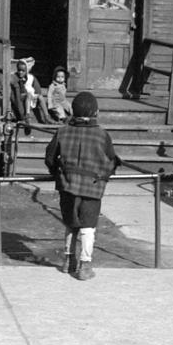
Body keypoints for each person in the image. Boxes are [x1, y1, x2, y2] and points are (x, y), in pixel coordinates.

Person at [44, 92, 119, 280]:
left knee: (70, 223)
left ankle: (68, 261)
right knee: (88, 226)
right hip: (92, 187)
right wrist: (104, 175)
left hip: (67, 185)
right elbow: (112, 160)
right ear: (95, 112)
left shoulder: (62, 131)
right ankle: (85, 266)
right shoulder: (102, 135)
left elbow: (49, 157)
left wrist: (58, 175)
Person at [11, 58, 51, 126]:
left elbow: (37, 89)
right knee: (29, 95)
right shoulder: (16, 78)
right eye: (19, 70)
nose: (20, 72)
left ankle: (46, 116)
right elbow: (18, 91)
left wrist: (37, 94)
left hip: (31, 96)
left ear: (26, 70)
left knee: (40, 97)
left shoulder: (31, 77)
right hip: (22, 96)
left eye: (23, 71)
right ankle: (27, 114)